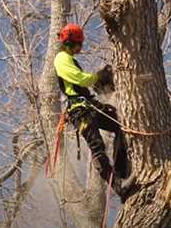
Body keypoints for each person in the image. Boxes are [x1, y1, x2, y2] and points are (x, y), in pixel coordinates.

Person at [53, 23, 132, 201]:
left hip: (89, 106)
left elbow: (84, 84)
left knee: (121, 124)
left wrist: (102, 82)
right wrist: (97, 77)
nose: (81, 47)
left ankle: (123, 172)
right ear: (71, 42)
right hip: (79, 111)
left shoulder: (70, 59)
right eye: (79, 44)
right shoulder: (61, 58)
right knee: (97, 147)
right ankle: (119, 187)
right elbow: (80, 80)